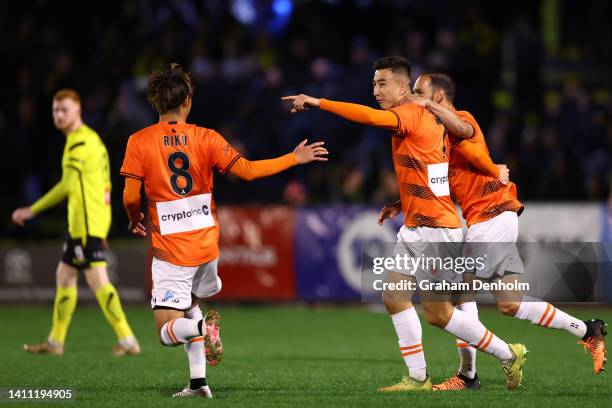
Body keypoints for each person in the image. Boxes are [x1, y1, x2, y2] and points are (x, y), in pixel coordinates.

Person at [283, 56, 526, 392]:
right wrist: (402, 202)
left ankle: (507, 354)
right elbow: (436, 174)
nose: (376, 90)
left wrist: (318, 101)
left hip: (437, 230)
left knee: (439, 314)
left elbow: (368, 117)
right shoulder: (424, 117)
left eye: (382, 83)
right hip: (417, 225)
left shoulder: (411, 114)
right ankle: (417, 377)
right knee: (394, 296)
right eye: (373, 84)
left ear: (402, 86)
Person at [379, 72, 607, 390]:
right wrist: (398, 203)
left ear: (439, 96)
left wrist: (425, 106)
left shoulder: (460, 120)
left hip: (493, 214)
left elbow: (465, 135)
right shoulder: (437, 137)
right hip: (486, 219)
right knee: (502, 301)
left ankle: (470, 375)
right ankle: (586, 330)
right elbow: (432, 182)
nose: (414, 97)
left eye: (420, 92)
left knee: (463, 297)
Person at [120, 63, 327, 398]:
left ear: (155, 101)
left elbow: (131, 196)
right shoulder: (206, 137)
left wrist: (134, 217)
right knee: (189, 305)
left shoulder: (139, 141)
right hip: (206, 245)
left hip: (171, 252)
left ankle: (203, 328)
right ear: (187, 101)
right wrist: (293, 158)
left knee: (165, 331)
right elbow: (246, 171)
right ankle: (198, 383)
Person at [12, 89, 140, 357]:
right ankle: (55, 341)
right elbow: (104, 183)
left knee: (98, 282)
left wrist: (31, 210)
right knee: (65, 275)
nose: (59, 115)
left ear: (78, 111)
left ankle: (128, 340)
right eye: (55, 111)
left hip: (87, 224)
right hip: (86, 222)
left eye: (64, 110)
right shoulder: (88, 139)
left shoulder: (81, 143)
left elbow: (68, 185)